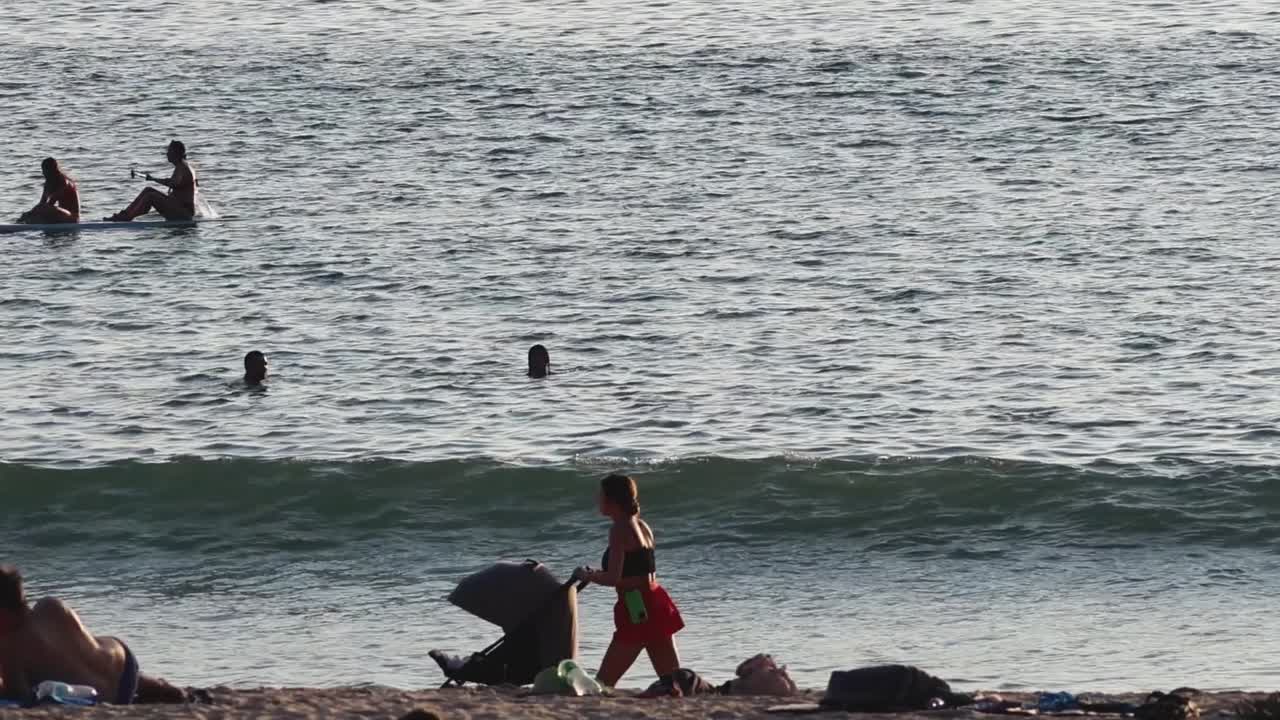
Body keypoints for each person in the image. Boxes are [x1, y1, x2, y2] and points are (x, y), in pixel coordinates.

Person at [0, 566, 183, 705]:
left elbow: (21, 697)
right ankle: (157, 686)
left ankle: (150, 687)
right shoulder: (50, 605)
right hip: (125, 667)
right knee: (88, 655)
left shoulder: (10, 648)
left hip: (106, 699)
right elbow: (71, 655)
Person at [574, 474, 684, 688]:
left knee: (603, 683)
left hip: (637, 607)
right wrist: (596, 573)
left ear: (612, 501)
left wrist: (587, 575)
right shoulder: (642, 526)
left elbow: (614, 578)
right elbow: (636, 572)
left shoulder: (619, 529)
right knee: (674, 683)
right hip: (656, 601)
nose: (597, 500)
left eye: (601, 495)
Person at [105, 140, 197, 222]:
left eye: (169, 151)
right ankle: (125, 214)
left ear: (176, 153)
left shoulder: (183, 167)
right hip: (178, 207)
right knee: (148, 190)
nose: (167, 154)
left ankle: (127, 217)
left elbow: (173, 183)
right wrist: (153, 179)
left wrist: (154, 179)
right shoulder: (181, 166)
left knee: (150, 196)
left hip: (184, 213)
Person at [17, 158, 79, 225]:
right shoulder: (48, 183)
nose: (43, 173)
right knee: (33, 215)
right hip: (61, 216)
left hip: (72, 218)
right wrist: (29, 213)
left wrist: (33, 213)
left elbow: (51, 202)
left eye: (44, 170)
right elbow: (42, 202)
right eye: (42, 170)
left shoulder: (63, 182)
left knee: (42, 209)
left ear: (51, 170)